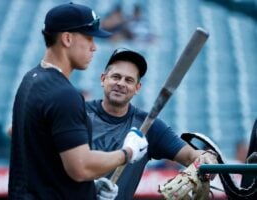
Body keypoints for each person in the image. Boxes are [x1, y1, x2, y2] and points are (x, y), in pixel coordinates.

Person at [8, 3, 148, 200]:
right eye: (89, 37)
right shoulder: (64, 94)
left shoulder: (30, 79)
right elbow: (80, 168)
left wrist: (88, 188)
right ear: (67, 38)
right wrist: (128, 152)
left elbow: (38, 146)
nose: (94, 46)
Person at [86, 48, 218, 199]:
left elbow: (190, 155)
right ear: (103, 79)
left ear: (137, 88)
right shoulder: (78, 114)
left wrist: (206, 157)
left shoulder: (148, 126)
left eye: (129, 80)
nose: (121, 83)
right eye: (116, 77)